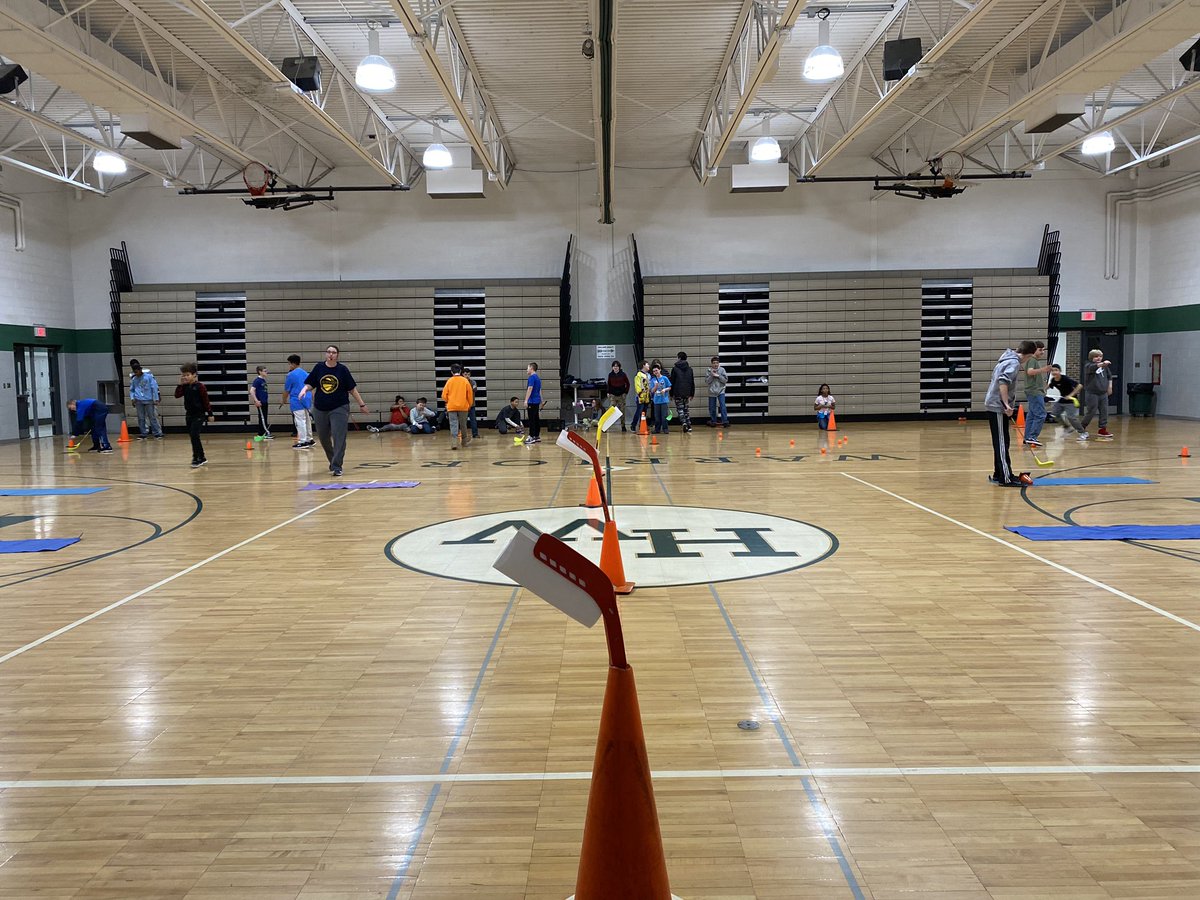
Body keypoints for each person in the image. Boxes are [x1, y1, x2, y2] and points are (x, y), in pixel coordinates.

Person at [299, 345, 369, 477]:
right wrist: (304, 390)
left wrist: (362, 404)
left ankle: (337, 466)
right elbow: (310, 383)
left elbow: (352, 389)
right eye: (329, 352)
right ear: (326, 354)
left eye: (334, 352)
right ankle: (333, 460)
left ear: (337, 355)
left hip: (339, 407)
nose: (331, 354)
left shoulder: (342, 370)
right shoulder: (319, 367)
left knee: (339, 437)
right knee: (323, 438)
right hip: (320, 408)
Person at [984, 340, 1038, 487]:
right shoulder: (1013, 363)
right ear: (1028, 355)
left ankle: (999, 473)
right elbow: (1003, 382)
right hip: (998, 406)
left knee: (1002, 441)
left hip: (994, 404)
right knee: (1002, 442)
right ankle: (1006, 478)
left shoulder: (1006, 359)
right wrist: (1006, 404)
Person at [173, 362, 213, 468]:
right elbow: (177, 395)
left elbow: (206, 401)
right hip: (189, 415)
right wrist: (180, 384)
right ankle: (202, 457)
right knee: (193, 437)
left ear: (194, 375)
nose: (185, 377)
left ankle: (196, 458)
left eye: (187, 375)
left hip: (199, 414)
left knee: (195, 435)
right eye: (184, 375)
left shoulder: (200, 386)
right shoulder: (184, 387)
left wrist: (210, 414)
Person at [1022, 342, 1053, 447]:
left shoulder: (1034, 361)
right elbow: (1030, 372)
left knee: (1032, 415)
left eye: (1043, 350)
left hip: (1034, 391)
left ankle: (1027, 437)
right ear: (1033, 350)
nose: (1042, 352)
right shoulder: (1032, 360)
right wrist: (1043, 370)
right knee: (1041, 414)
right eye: (1040, 350)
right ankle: (1032, 437)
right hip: (1034, 391)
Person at [1080, 349, 1115, 439]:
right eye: (1096, 357)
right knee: (1091, 411)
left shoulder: (1105, 367)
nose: (1098, 358)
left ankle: (1102, 429)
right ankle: (1082, 427)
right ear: (1091, 358)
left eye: (1100, 356)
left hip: (1103, 393)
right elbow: (1094, 367)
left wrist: (1110, 387)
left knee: (1104, 411)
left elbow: (1109, 376)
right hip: (1092, 393)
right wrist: (1103, 364)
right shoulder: (1088, 366)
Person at [281, 354, 314, 449]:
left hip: (297, 400)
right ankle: (309, 439)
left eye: (289, 364)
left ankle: (303, 441)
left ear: (293, 364)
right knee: (307, 419)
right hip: (307, 398)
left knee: (300, 421)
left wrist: (284, 400)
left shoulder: (290, 375)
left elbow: (287, 390)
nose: (289, 366)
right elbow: (311, 387)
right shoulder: (306, 373)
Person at [1048, 364, 1087, 441]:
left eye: (1056, 370)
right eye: (1052, 370)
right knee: (1054, 414)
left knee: (1071, 417)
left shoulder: (1066, 379)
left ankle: (1083, 433)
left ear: (1060, 371)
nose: (1054, 372)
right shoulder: (1053, 380)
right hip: (1062, 400)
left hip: (1071, 401)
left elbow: (1079, 386)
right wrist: (1042, 391)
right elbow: (1050, 385)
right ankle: (1067, 427)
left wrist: (1070, 395)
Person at [128, 359, 163, 439]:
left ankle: (157, 433)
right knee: (141, 418)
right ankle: (143, 433)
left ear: (140, 370)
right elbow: (132, 389)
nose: (136, 373)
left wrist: (156, 398)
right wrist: (132, 398)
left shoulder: (148, 376)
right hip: (138, 400)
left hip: (148, 399)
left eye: (137, 371)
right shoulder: (134, 379)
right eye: (135, 372)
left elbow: (154, 387)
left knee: (152, 417)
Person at [442, 364, 475, 450]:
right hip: (463, 406)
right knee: (463, 424)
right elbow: (470, 394)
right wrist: (469, 404)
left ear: (451, 372)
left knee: (453, 424)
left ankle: (454, 443)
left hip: (451, 406)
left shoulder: (449, 381)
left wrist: (448, 401)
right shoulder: (465, 381)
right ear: (460, 371)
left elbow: (444, 395)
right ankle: (464, 442)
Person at [669, 352, 694, 433]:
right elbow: (692, 382)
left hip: (677, 392)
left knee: (680, 409)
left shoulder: (675, 369)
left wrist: (671, 393)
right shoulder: (690, 369)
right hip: (687, 392)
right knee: (686, 409)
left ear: (679, 358)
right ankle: (689, 425)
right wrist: (692, 393)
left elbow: (672, 382)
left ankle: (684, 423)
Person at [605, 361, 630, 432]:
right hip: (613, 395)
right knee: (610, 410)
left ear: (619, 367)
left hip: (621, 395)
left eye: (617, 366)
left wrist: (625, 392)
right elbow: (609, 384)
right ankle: (605, 426)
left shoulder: (623, 374)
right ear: (612, 367)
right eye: (614, 366)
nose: (615, 368)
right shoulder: (610, 375)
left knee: (622, 411)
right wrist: (608, 392)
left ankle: (623, 426)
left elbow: (628, 384)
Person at [705, 356, 730, 427]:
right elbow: (707, 381)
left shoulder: (722, 370)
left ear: (719, 363)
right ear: (711, 364)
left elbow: (725, 380)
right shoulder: (708, 370)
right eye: (714, 363)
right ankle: (713, 421)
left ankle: (725, 421)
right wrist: (712, 375)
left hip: (721, 391)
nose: (715, 364)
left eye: (717, 363)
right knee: (712, 407)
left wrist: (718, 376)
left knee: (722, 406)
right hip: (712, 391)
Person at [249, 365, 272, 439]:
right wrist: (256, 401)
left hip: (264, 401)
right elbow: (252, 391)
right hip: (261, 402)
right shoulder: (257, 380)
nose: (266, 372)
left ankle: (262, 433)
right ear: (260, 372)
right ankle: (263, 433)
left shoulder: (263, 380)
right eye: (265, 371)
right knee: (262, 418)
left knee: (264, 417)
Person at [649, 363, 672, 434]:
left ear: (660, 370)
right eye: (654, 371)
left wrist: (665, 389)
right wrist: (656, 386)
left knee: (664, 415)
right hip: (656, 401)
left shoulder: (664, 378)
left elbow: (669, 387)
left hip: (664, 400)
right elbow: (652, 391)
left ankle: (665, 428)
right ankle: (657, 429)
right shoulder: (653, 380)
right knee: (657, 416)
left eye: (656, 370)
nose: (655, 372)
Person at [523, 362, 542, 444]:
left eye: (527, 368)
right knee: (536, 418)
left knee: (532, 420)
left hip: (532, 401)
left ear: (531, 368)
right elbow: (539, 391)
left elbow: (530, 388)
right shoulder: (537, 378)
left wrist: (526, 400)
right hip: (536, 401)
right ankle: (536, 436)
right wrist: (541, 401)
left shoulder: (531, 378)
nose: (526, 370)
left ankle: (531, 436)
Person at [632, 360, 651, 431]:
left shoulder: (647, 375)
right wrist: (640, 393)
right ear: (643, 365)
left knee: (644, 413)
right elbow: (638, 387)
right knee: (639, 411)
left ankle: (642, 426)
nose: (648, 366)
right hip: (640, 397)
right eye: (647, 364)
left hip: (646, 397)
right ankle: (633, 425)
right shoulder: (639, 375)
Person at [463, 367, 481, 438]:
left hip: (471, 404)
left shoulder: (473, 382)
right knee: (463, 421)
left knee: (473, 420)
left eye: (468, 374)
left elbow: (475, 389)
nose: (467, 376)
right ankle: (463, 434)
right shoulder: (461, 383)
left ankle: (475, 434)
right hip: (463, 405)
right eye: (465, 374)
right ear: (462, 374)